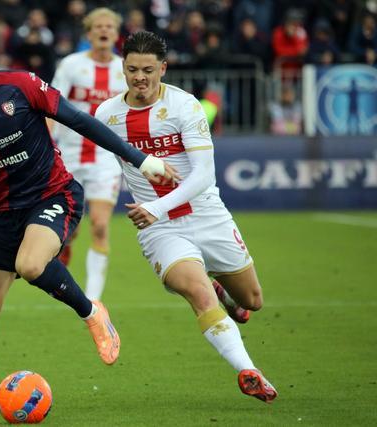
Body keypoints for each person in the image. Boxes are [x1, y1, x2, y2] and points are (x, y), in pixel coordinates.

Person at [0, 24, 177, 416]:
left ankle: (92, 312)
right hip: (0, 217)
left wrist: (140, 160)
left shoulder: (20, 86)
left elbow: (81, 121)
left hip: (53, 195)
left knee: (31, 264)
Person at [94, 31, 278, 403]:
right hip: (159, 228)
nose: (140, 78)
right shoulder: (107, 115)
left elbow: (203, 175)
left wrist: (156, 206)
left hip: (206, 214)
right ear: (123, 68)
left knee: (252, 300)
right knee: (197, 292)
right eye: (132, 70)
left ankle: (226, 292)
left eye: (148, 70)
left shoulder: (184, 106)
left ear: (163, 68)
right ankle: (248, 370)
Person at [50, 7, 125, 301]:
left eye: (109, 26)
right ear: (89, 33)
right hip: (69, 156)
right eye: (98, 26)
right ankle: (66, 245)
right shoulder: (71, 65)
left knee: (101, 225)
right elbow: (51, 105)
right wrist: (47, 141)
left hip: (106, 159)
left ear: (116, 34)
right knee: (70, 229)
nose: (104, 30)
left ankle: (93, 300)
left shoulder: (125, 69)